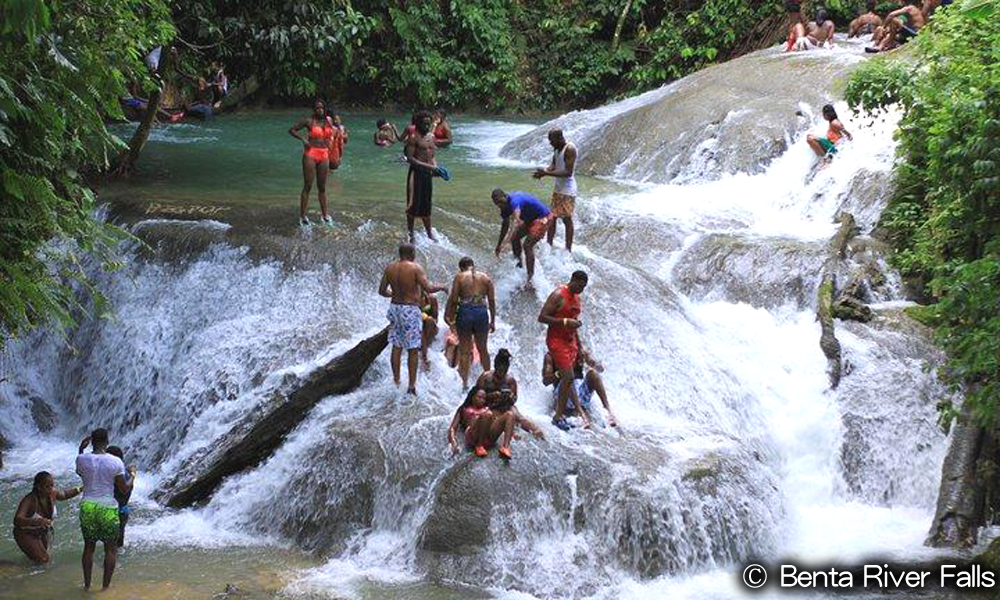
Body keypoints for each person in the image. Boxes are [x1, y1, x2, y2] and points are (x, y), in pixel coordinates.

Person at [379, 243, 447, 394]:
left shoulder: (390, 267)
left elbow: (381, 290)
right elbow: (428, 288)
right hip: (410, 310)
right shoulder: (415, 268)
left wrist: (395, 295)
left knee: (396, 346)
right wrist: (442, 287)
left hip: (395, 308)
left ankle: (396, 381)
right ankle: (411, 386)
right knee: (413, 349)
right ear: (412, 253)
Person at [76, 429, 133, 590]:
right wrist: (133, 477)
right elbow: (123, 489)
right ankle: (105, 588)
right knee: (110, 549)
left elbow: (82, 474)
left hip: (88, 505)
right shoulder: (116, 462)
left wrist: (81, 448)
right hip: (107, 507)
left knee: (88, 547)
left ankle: (87, 585)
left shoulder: (81, 459)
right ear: (107, 441)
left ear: (91, 441)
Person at [538, 271, 588, 431]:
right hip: (557, 341)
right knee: (568, 376)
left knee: (568, 379)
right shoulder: (558, 294)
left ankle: (560, 414)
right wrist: (565, 321)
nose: (581, 290)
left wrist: (580, 346)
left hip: (571, 341)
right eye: (580, 285)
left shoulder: (577, 298)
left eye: (584, 287)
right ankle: (558, 416)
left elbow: (574, 324)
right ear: (573, 280)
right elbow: (542, 317)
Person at [444, 257, 496, 388]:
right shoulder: (485, 278)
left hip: (465, 313)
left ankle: (464, 384)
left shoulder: (459, 277)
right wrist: (493, 321)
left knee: (465, 351)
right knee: (483, 349)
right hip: (481, 313)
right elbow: (492, 301)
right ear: (473, 265)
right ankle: (488, 382)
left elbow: (455, 299)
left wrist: (451, 320)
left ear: (461, 268)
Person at [12, 472, 82, 564]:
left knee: (41, 560)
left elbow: (64, 495)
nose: (51, 489)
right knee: (44, 559)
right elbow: (17, 520)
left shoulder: (52, 493)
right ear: (39, 487)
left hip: (41, 531)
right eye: (47, 487)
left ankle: (25, 568)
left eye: (52, 485)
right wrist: (37, 521)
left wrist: (80, 489)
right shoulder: (29, 500)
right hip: (25, 533)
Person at [476, 349, 546, 440]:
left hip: (505, 405)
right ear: (495, 366)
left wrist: (510, 397)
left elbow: (514, 400)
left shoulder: (510, 380)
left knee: (517, 415)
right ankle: (511, 432)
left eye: (504, 371)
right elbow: (476, 396)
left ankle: (535, 430)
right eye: (499, 370)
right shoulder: (485, 377)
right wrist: (491, 395)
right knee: (495, 416)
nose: (501, 374)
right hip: (489, 405)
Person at [542, 344, 617, 428]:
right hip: (563, 395)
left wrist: (594, 363)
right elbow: (545, 381)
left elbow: (600, 369)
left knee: (593, 374)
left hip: (581, 392)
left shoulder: (579, 350)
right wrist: (559, 373)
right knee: (568, 378)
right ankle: (581, 413)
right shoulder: (550, 356)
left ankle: (608, 409)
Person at [289, 99, 335, 227]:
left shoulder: (328, 121)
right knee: (308, 186)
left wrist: (332, 142)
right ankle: (303, 216)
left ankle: (325, 215)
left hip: (324, 153)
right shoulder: (308, 121)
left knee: (322, 187)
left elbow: (332, 133)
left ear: (324, 109)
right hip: (311, 153)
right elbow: (292, 130)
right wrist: (303, 139)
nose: (319, 110)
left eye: (321, 108)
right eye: (317, 108)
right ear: (314, 110)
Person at [493, 188, 553, 284]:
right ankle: (519, 267)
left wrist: (507, 242)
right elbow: (505, 225)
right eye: (497, 204)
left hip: (543, 217)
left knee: (527, 245)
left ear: (505, 196)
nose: (500, 205)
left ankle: (530, 279)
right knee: (515, 239)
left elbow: (516, 222)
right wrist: (499, 245)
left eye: (500, 202)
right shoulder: (504, 207)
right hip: (530, 219)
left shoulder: (514, 201)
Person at [533, 129, 577, 252]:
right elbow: (552, 167)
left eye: (552, 141)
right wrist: (542, 172)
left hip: (568, 190)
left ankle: (568, 249)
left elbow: (568, 172)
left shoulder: (570, 149)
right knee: (552, 218)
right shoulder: (557, 150)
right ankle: (549, 244)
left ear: (559, 138)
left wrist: (546, 173)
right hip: (558, 189)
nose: (550, 143)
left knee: (567, 219)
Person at [404, 111, 444, 242]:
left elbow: (432, 157)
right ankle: (411, 234)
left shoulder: (431, 137)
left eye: (428, 123)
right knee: (412, 204)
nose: (427, 126)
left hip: (427, 174)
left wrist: (436, 168)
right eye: (424, 123)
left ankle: (429, 234)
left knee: (427, 204)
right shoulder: (413, 137)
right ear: (418, 123)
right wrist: (429, 167)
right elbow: (410, 159)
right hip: (415, 174)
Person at [447, 386, 517, 459]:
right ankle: (479, 446)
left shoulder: (487, 408)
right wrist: (453, 441)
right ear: (473, 397)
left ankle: (505, 447)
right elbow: (452, 428)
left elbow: (499, 421)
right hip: (474, 437)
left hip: (489, 437)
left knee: (510, 414)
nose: (482, 400)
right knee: (487, 415)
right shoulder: (464, 409)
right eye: (479, 397)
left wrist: (512, 433)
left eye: (484, 398)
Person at [105, 446, 136, 548]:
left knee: (110, 544)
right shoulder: (126, 471)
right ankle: (117, 560)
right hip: (123, 509)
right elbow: (127, 489)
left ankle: (110, 561)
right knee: (119, 540)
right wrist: (133, 475)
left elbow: (124, 489)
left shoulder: (109, 472)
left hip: (111, 509)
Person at [420, 289, 440, 370]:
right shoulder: (411, 298)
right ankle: (424, 356)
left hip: (430, 327)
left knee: (430, 320)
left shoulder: (432, 299)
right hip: (417, 327)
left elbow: (436, 319)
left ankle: (424, 352)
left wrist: (425, 317)